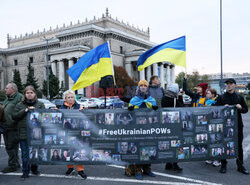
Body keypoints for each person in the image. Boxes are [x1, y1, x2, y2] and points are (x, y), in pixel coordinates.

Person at [125, 79, 158, 180]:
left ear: (147, 87)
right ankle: (138, 169)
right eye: (141, 85)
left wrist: (155, 108)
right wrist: (130, 109)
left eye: (145, 85)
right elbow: (129, 115)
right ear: (138, 87)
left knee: (149, 146)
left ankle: (147, 168)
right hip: (137, 128)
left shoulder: (151, 99)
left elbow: (155, 114)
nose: (143, 87)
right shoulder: (134, 99)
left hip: (148, 128)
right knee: (139, 147)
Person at [215, 78, 249, 175]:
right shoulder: (221, 97)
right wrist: (223, 107)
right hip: (224, 125)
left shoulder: (239, 97)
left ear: (234, 85)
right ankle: (223, 165)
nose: (228, 85)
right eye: (227, 84)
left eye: (230, 84)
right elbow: (215, 110)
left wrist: (240, 108)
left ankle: (240, 166)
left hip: (237, 125)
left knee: (239, 145)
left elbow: (246, 109)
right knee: (223, 144)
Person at [12, 85, 45, 180]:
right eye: (27, 93)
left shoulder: (40, 104)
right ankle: (25, 171)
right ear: (25, 94)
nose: (29, 95)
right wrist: (25, 110)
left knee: (35, 152)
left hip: (36, 133)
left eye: (31, 93)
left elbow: (44, 117)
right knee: (25, 154)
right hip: (24, 133)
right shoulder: (19, 105)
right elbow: (14, 116)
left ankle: (34, 168)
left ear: (34, 94)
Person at [60, 90, 87, 179]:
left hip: (77, 132)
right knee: (68, 149)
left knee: (78, 149)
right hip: (67, 132)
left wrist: (84, 111)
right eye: (68, 97)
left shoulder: (79, 106)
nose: (70, 99)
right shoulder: (62, 107)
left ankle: (80, 170)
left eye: (72, 97)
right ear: (65, 99)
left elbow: (85, 117)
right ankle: (70, 167)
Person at [161, 83, 183, 172]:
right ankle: (175, 164)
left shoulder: (164, 98)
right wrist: (180, 97)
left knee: (168, 143)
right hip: (174, 125)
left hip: (165, 124)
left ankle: (168, 163)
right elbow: (182, 108)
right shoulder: (174, 100)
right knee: (176, 143)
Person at [1, 83, 23, 173]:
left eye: (7, 88)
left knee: (11, 146)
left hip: (13, 126)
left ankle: (12, 165)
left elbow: (21, 110)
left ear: (13, 89)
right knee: (11, 146)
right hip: (6, 126)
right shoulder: (8, 98)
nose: (5, 90)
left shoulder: (19, 97)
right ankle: (15, 163)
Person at [204, 88, 221, 167]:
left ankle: (218, 158)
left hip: (216, 123)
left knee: (217, 141)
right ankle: (211, 157)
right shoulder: (206, 102)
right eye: (207, 93)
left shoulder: (217, 101)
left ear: (213, 95)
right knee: (210, 140)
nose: (207, 94)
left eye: (208, 93)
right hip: (209, 123)